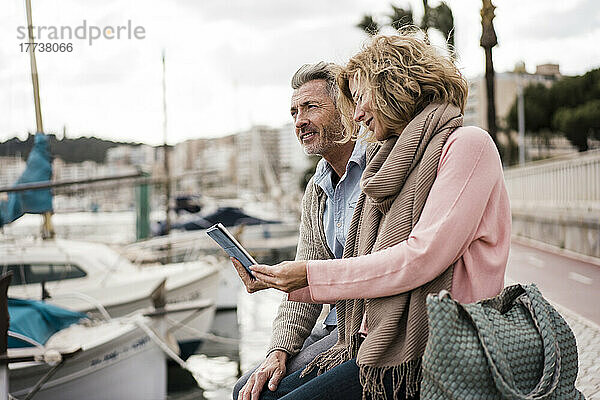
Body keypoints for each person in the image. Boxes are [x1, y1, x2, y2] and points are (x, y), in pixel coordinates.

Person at [246, 30, 511, 400]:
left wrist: (305, 275)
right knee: (250, 390)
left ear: (394, 85)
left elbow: (419, 258)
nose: (356, 114)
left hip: (442, 337)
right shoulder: (390, 162)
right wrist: (280, 286)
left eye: (360, 97)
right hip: (376, 327)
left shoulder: (468, 145)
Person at [232, 62, 368, 400]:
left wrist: (303, 275)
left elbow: (381, 268)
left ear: (347, 110)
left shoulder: (378, 170)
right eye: (293, 112)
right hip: (333, 326)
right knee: (243, 389)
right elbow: (304, 287)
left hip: (366, 330)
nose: (299, 121)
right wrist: (278, 351)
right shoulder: (316, 190)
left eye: (310, 107)